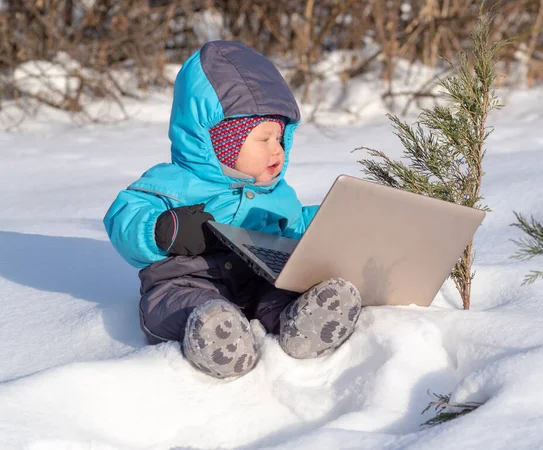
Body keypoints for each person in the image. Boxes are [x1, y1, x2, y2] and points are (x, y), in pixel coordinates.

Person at [103, 41, 362, 379]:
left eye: (281, 139)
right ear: (220, 142)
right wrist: (161, 229)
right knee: (177, 304)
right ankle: (213, 335)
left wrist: (332, 224)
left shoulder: (279, 195)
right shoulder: (173, 181)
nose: (277, 150)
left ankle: (302, 325)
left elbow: (296, 230)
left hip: (257, 280)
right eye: (264, 140)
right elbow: (123, 217)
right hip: (189, 279)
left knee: (281, 290)